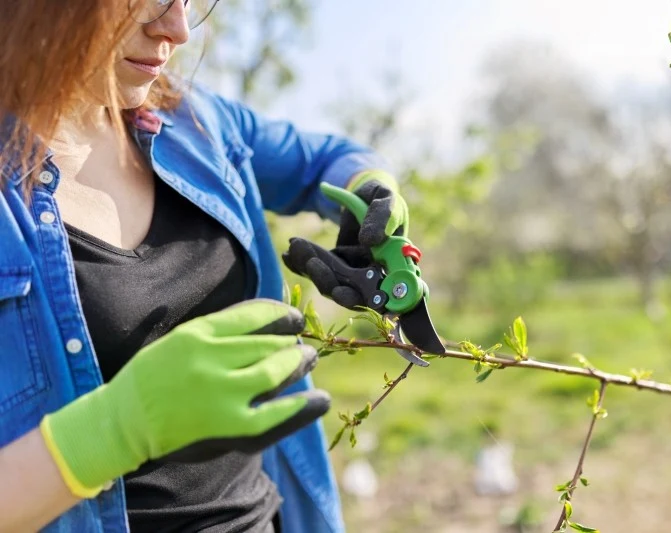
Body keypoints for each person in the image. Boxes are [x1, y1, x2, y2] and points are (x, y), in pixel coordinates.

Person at [0, 1, 411, 531]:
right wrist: (110, 432)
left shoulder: (197, 123)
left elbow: (326, 159)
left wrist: (370, 193)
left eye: (189, 1)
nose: (178, 30)